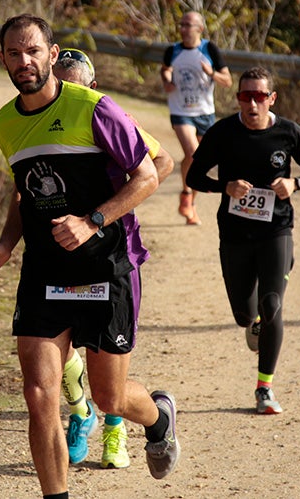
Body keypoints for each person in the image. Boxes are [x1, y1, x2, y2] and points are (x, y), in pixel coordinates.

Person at [0, 15, 180, 498]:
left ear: (51, 52)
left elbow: (149, 175)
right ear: (2, 59)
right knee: (39, 395)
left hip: (106, 266)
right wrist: (6, 243)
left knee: (109, 396)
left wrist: (92, 220)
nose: (23, 61)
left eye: (32, 51)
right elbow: (23, 192)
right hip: (46, 271)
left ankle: (159, 415)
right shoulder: (4, 123)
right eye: (13, 53)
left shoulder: (95, 109)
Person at [53, 47, 174, 470]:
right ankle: (81, 412)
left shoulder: (107, 115)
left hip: (111, 254)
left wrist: (110, 208)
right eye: (61, 83)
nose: (68, 92)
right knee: (59, 349)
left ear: (92, 86)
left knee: (109, 365)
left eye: (75, 85)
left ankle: (116, 426)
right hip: (57, 256)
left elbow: (162, 161)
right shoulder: (39, 120)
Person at [186, 66, 300, 415]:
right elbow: (193, 175)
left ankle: (265, 389)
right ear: (238, 99)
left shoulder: (289, 133)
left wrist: (296, 184)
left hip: (276, 229)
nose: (252, 103)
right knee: (243, 313)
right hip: (234, 234)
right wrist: (225, 186)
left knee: (273, 303)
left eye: (259, 96)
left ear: (271, 99)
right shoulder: (222, 133)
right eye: (245, 96)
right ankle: (254, 323)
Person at [160, 11, 232, 225]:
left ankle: (189, 200)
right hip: (181, 112)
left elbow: (227, 80)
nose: (183, 28)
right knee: (192, 152)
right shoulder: (172, 50)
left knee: (200, 160)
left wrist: (211, 73)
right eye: (181, 24)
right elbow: (165, 71)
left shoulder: (209, 50)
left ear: (199, 28)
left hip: (205, 112)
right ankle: (186, 192)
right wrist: (167, 80)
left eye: (188, 25)